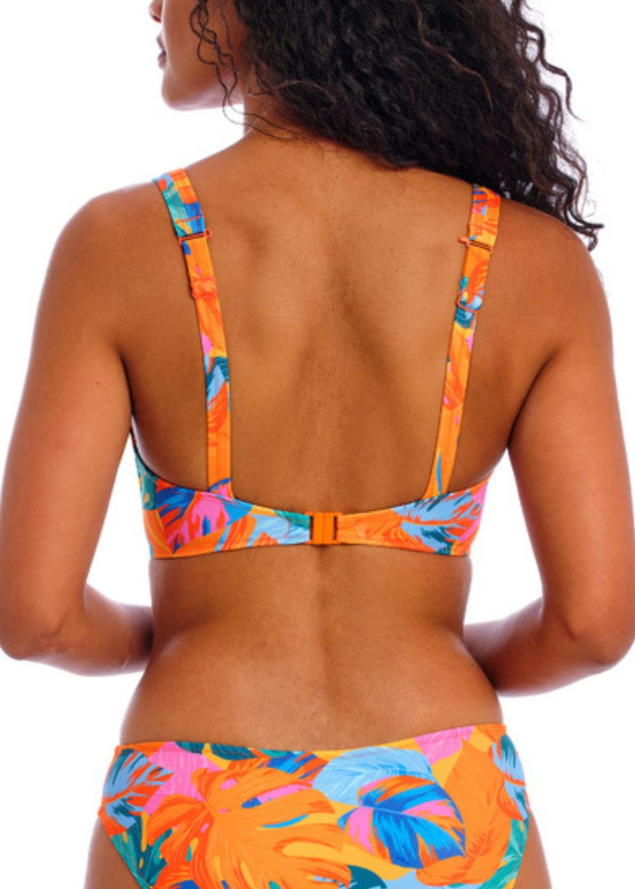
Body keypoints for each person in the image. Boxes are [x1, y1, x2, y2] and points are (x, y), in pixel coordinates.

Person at [0, 1, 633, 886]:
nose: (153, 4)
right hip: (444, 799)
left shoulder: (117, 247)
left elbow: (34, 616)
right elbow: (591, 626)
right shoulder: (533, 263)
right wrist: (441, 647)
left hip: (195, 803)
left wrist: (174, 635)